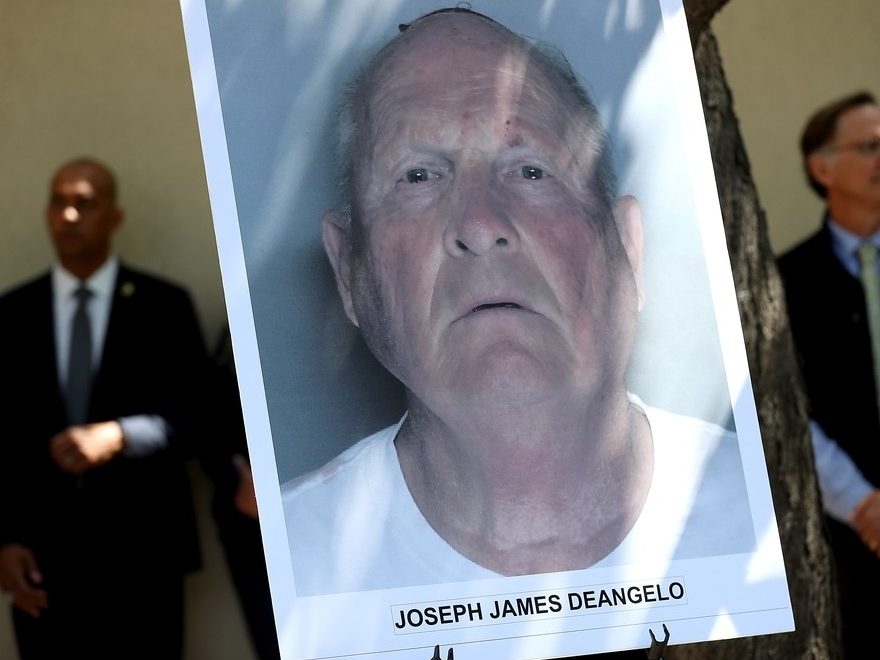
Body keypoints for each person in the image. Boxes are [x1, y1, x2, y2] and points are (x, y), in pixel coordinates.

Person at [282, 8, 754, 596]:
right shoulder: (297, 563)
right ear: (350, 273)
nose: (480, 225)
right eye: (418, 176)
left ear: (628, 250)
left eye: (531, 170)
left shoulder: (763, 518)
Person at [0, 157, 208, 659]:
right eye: (59, 202)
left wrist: (120, 434)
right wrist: (3, 541)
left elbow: (203, 418)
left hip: (144, 557)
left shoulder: (164, 305)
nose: (68, 216)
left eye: (84, 203)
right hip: (42, 565)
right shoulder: (10, 313)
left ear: (113, 217)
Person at [777, 91, 880, 658]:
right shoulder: (786, 282)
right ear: (823, 168)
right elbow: (788, 414)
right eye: (869, 147)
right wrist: (862, 504)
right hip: (843, 542)